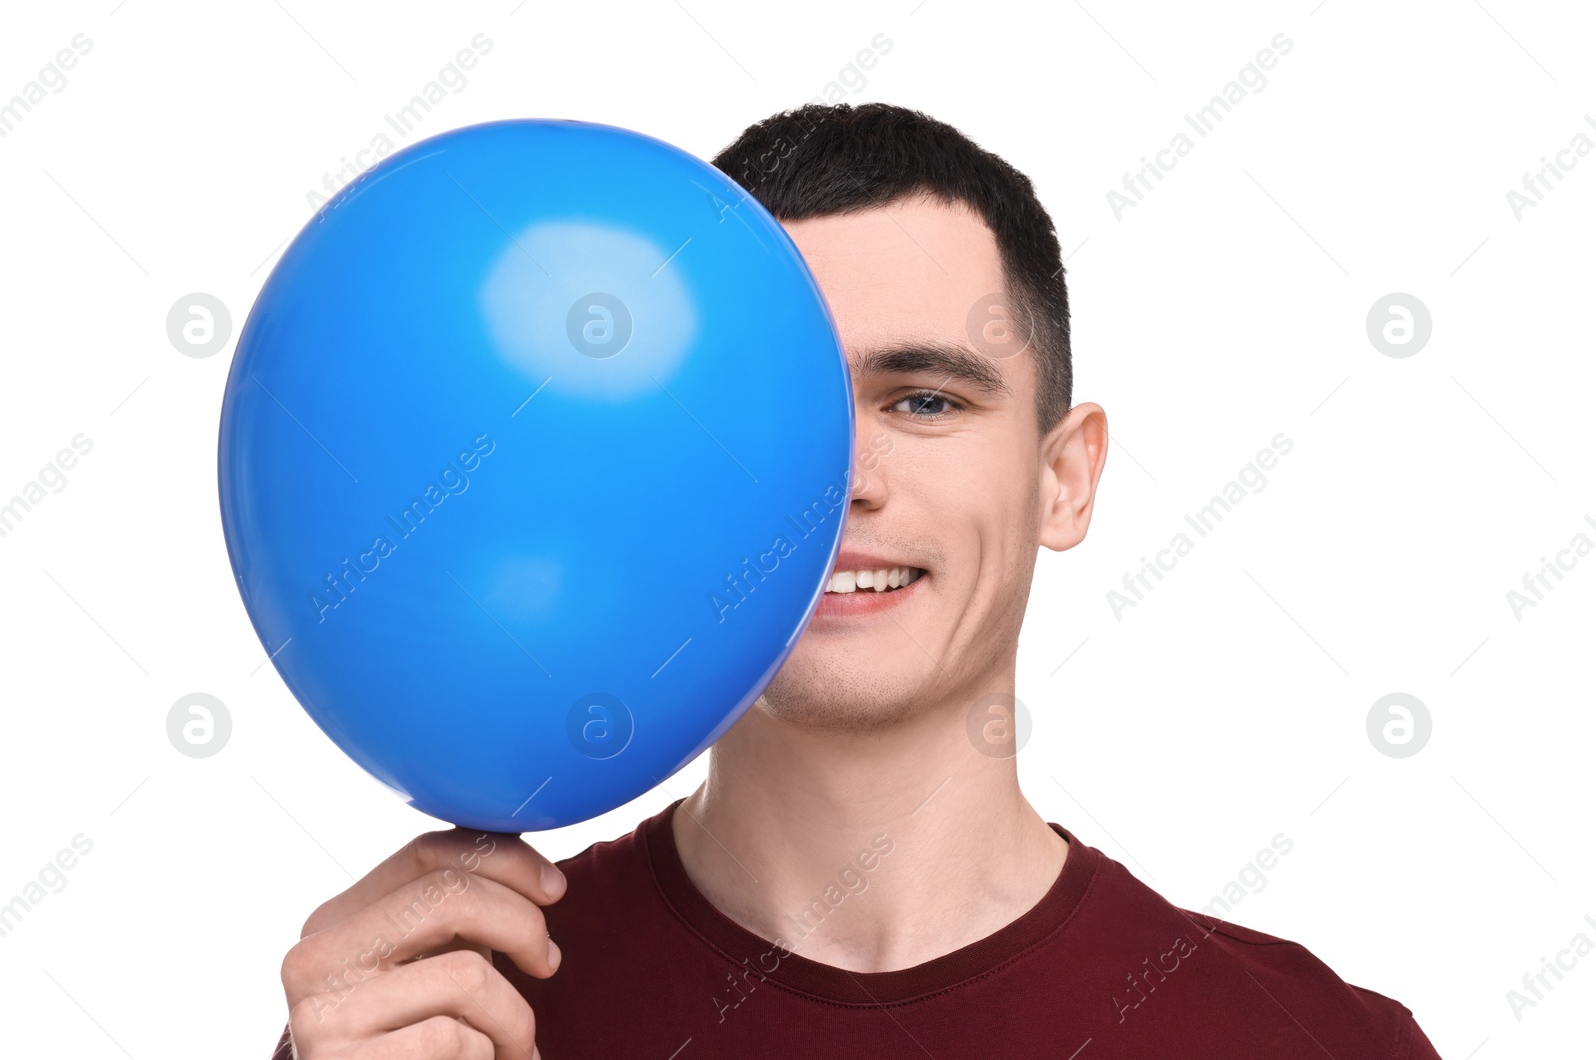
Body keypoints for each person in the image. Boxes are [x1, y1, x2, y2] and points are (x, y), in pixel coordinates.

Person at [273, 103, 1443, 1059]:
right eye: (777, 402)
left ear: (1064, 477)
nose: (842, 479)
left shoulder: (1317, 1042)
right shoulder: (432, 1017)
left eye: (924, 399)